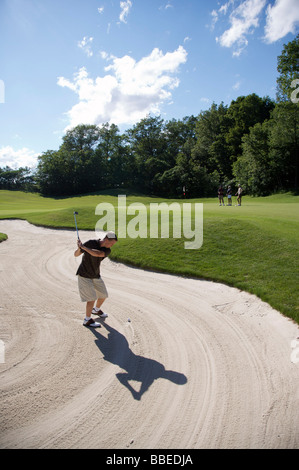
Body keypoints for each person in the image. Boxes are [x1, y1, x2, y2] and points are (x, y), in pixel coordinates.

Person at [74, 231, 118, 328]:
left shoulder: (107, 250)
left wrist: (84, 248)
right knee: (91, 298)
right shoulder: (91, 243)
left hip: (95, 274)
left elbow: (97, 254)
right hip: (84, 274)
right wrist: (79, 248)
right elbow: (76, 254)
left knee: (103, 295)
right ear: (106, 239)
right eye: (111, 243)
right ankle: (87, 319)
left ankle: (96, 310)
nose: (111, 245)